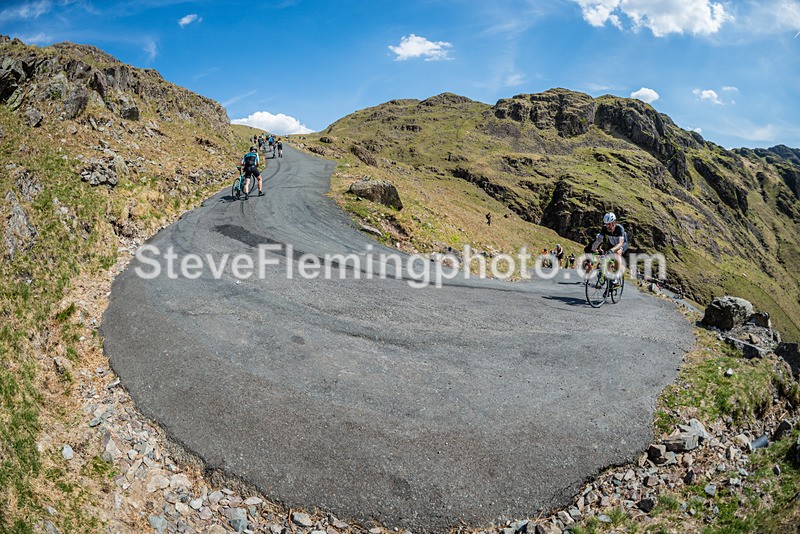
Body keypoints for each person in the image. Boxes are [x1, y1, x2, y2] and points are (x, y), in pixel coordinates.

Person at [591, 212, 628, 285]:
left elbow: (620, 243)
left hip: (622, 244)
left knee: (617, 253)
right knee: (607, 261)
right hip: (612, 244)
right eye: (606, 224)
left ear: (614, 222)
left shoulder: (619, 228)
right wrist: (594, 248)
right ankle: (611, 280)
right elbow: (599, 240)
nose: (607, 226)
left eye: (609, 224)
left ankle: (617, 277)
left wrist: (612, 250)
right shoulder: (604, 228)